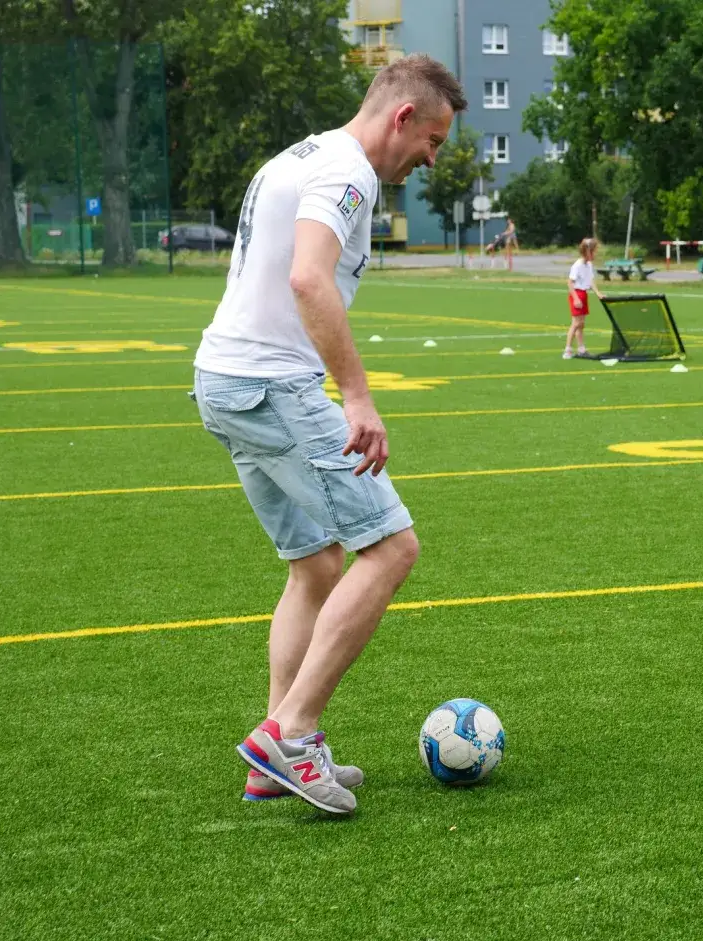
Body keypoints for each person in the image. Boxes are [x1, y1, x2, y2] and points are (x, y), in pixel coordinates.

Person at [193, 55, 466, 814]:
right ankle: (293, 735)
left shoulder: (303, 153)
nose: (432, 160)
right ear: (402, 117)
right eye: (434, 140)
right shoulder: (347, 174)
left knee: (316, 565)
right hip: (267, 384)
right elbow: (308, 278)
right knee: (392, 547)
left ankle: (271, 751)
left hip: (224, 380)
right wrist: (356, 396)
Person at [565, 237, 605, 359]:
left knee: (581, 324)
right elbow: (570, 283)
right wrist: (576, 299)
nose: (596, 254)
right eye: (594, 251)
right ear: (588, 251)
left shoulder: (589, 265)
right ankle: (567, 350)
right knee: (576, 323)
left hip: (583, 294)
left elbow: (590, 280)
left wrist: (598, 293)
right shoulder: (577, 265)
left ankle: (581, 349)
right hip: (577, 294)